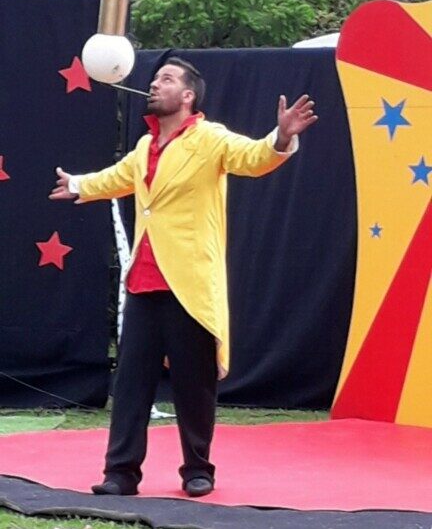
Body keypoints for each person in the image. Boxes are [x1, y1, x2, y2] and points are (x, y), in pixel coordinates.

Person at [49, 57, 317, 497]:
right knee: (131, 385)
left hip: (188, 282)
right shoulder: (144, 147)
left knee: (194, 385)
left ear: (188, 95)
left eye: (167, 80)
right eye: (155, 79)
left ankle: (197, 468)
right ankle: (120, 473)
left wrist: (282, 136)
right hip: (143, 283)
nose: (155, 85)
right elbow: (117, 178)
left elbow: (253, 157)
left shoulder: (210, 138)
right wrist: (78, 184)